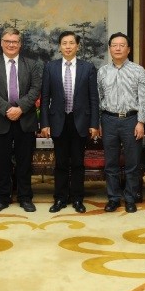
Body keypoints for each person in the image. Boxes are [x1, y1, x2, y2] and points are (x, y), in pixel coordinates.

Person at [0, 27, 43, 213]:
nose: (11, 44)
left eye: (14, 41)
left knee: (25, 162)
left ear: (20, 44)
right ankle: (2, 198)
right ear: (1, 43)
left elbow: (36, 88)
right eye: (7, 41)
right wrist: (7, 109)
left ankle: (25, 198)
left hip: (25, 119)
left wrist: (20, 108)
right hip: (0, 119)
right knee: (2, 162)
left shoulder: (31, 64)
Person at [40, 31, 99, 213]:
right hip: (58, 121)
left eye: (71, 43)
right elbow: (45, 98)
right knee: (60, 163)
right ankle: (60, 198)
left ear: (77, 46)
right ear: (60, 46)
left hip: (80, 121)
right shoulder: (50, 67)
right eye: (64, 43)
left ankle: (78, 199)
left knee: (78, 163)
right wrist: (44, 123)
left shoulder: (88, 68)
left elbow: (93, 98)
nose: (68, 46)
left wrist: (94, 124)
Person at [97, 32, 145, 213]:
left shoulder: (138, 70)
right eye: (114, 45)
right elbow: (98, 98)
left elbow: (144, 98)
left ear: (128, 49)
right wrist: (98, 122)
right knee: (110, 163)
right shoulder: (102, 71)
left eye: (122, 45)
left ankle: (130, 198)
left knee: (132, 163)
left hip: (131, 120)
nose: (118, 48)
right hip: (108, 120)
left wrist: (141, 121)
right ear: (110, 49)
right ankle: (113, 198)